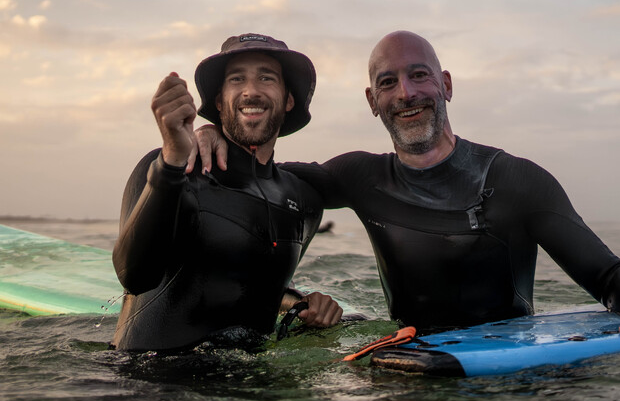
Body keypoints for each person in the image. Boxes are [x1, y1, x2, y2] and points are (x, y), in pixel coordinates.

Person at [192, 30, 620, 334]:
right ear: (372, 101)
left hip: (503, 379)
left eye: (419, 75)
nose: (405, 94)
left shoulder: (517, 180)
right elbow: (264, 178)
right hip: (404, 374)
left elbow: (608, 279)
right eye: (388, 82)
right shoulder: (360, 177)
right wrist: (214, 133)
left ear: (446, 85)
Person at [111, 33, 342, 351]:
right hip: (154, 387)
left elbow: (255, 282)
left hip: (254, 392)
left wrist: (305, 305)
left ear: (289, 99)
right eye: (237, 79)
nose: (251, 90)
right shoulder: (173, 169)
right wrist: (171, 162)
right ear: (219, 101)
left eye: (266, 77)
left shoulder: (303, 202)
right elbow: (134, 276)